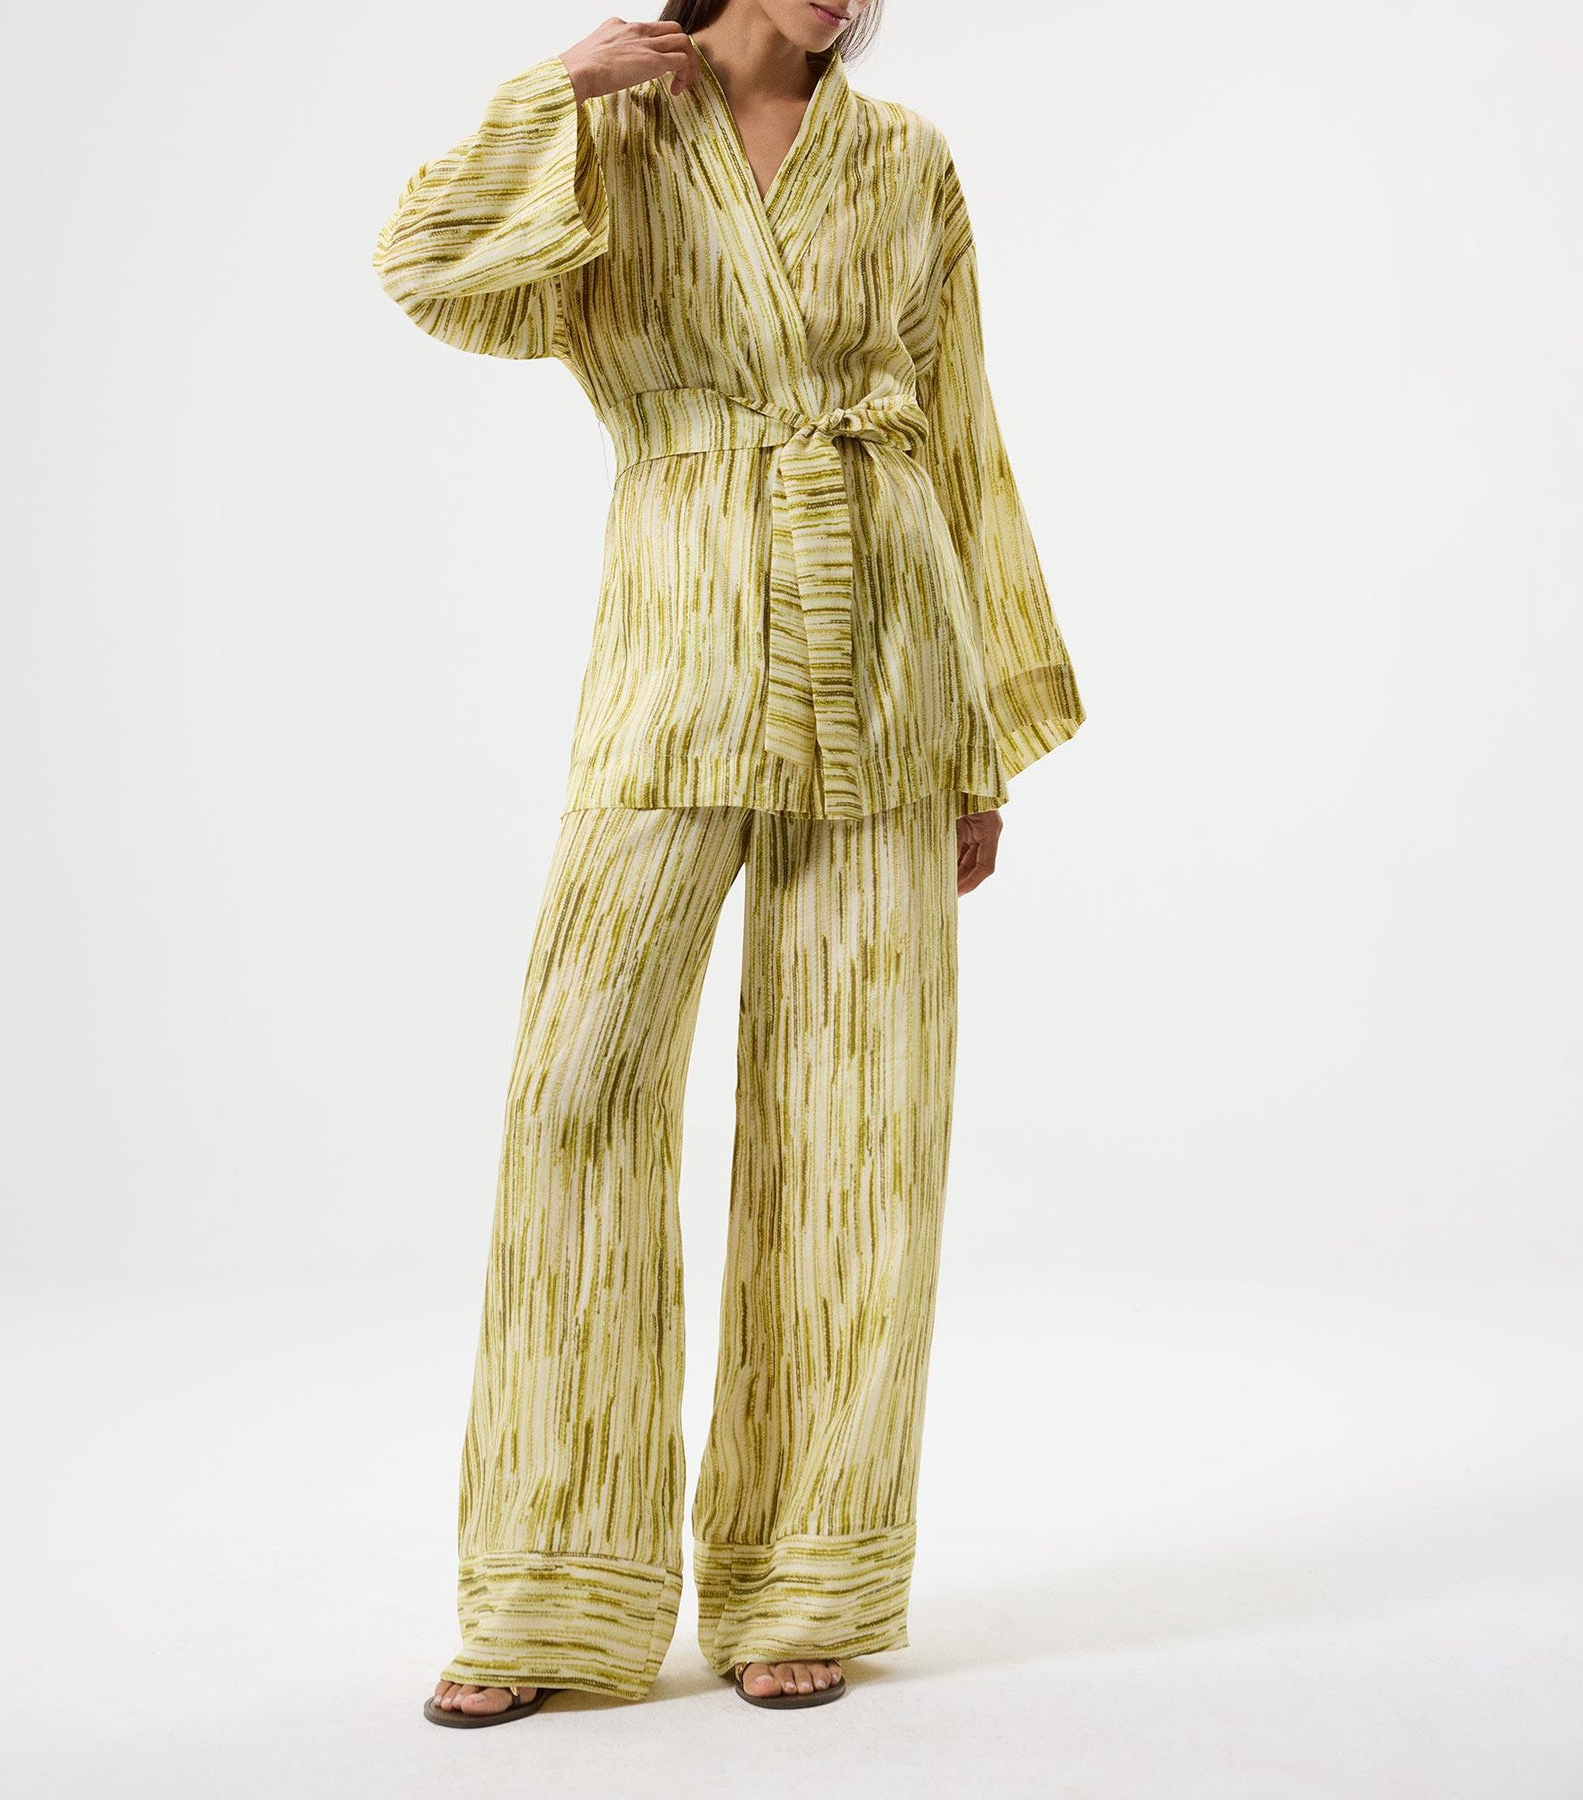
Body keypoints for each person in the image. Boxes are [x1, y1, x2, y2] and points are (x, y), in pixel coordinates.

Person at [371, 0, 1086, 1727]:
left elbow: (964, 438)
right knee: (576, 1087)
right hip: (678, 647)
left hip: (889, 652)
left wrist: (980, 730)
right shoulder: (616, 138)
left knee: (859, 1119)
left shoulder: (905, 163)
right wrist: (556, 91)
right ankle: (551, 1592)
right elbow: (433, 271)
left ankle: (804, 1576)